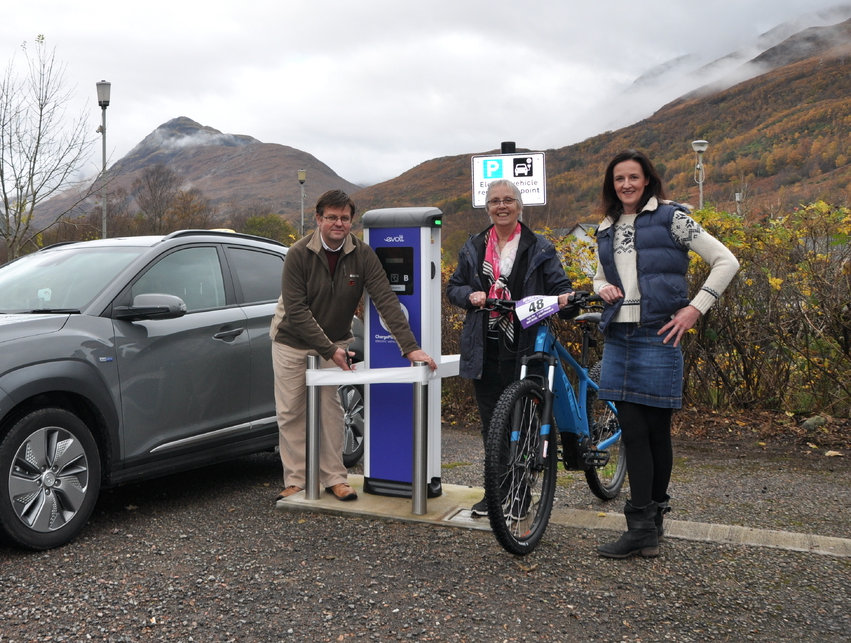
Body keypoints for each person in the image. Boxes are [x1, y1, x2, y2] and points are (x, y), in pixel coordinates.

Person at [593, 150, 739, 559]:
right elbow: (602, 273)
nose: (626, 184)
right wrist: (600, 286)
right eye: (619, 178)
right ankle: (645, 525)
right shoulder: (606, 226)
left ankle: (648, 524)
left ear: (647, 180)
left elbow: (726, 261)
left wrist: (696, 309)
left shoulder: (672, 217)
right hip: (619, 335)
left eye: (633, 177)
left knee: (655, 432)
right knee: (636, 431)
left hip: (659, 334)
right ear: (612, 184)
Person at [271, 189, 437, 503]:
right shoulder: (297, 253)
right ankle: (298, 480)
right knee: (291, 412)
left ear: (351, 221)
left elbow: (386, 300)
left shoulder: (362, 254)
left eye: (344, 218)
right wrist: (327, 348)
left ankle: (335, 478)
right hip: (292, 341)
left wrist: (409, 347)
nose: (338, 223)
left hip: (334, 340)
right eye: (331, 217)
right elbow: (297, 310)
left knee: (331, 410)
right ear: (318, 219)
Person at [446, 179, 574, 516]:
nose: (501, 206)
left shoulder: (540, 247)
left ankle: (522, 492)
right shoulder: (473, 246)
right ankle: (496, 491)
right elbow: (453, 287)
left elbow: (561, 288)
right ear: (487, 208)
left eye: (508, 200)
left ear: (519, 206)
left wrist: (563, 300)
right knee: (493, 424)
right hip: (484, 345)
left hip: (526, 345)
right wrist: (468, 296)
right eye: (494, 201)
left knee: (526, 422)